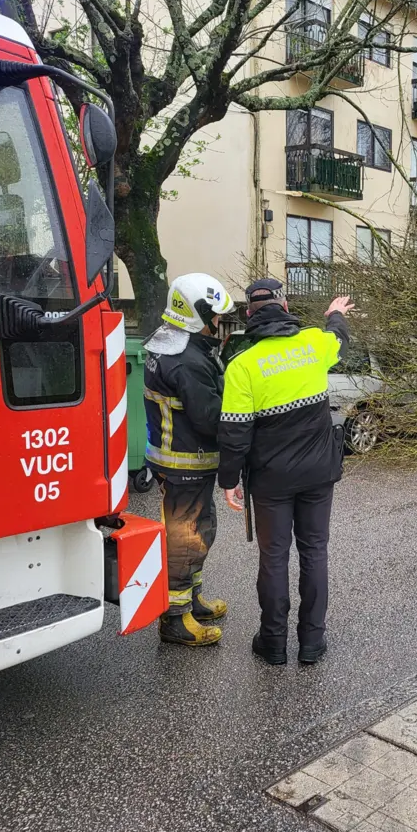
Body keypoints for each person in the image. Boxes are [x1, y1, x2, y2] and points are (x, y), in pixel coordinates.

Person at [217, 278, 352, 665]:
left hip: (271, 480)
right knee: (315, 552)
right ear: (286, 307)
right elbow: (338, 336)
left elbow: (235, 432)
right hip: (318, 474)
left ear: (249, 315)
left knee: (273, 557)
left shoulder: (242, 366)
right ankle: (312, 643)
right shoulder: (314, 344)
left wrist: (228, 481)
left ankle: (273, 642)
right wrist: (335, 312)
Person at [142, 273, 235, 646]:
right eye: (214, 316)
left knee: (200, 531)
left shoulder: (165, 344)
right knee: (185, 539)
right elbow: (210, 418)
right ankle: (174, 619)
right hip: (185, 464)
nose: (218, 323)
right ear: (196, 314)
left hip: (177, 461)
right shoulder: (187, 361)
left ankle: (191, 601)